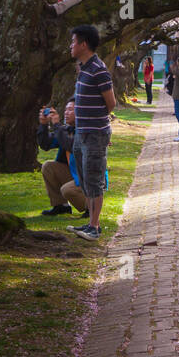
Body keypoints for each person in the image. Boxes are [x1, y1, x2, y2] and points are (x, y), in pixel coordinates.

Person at [64, 25, 115, 241]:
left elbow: (110, 104)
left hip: (95, 135)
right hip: (81, 133)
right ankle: (90, 223)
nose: (71, 46)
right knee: (84, 179)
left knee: (94, 180)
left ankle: (94, 227)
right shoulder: (83, 68)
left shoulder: (99, 70)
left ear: (83, 44)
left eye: (73, 42)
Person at [37, 99, 102, 217]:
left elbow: (71, 145)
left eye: (71, 110)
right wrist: (43, 124)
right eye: (66, 109)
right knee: (48, 166)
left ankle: (90, 208)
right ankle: (61, 206)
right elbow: (45, 144)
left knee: (67, 190)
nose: (66, 112)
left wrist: (56, 125)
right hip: (75, 173)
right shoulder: (66, 130)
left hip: (89, 178)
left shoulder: (86, 131)